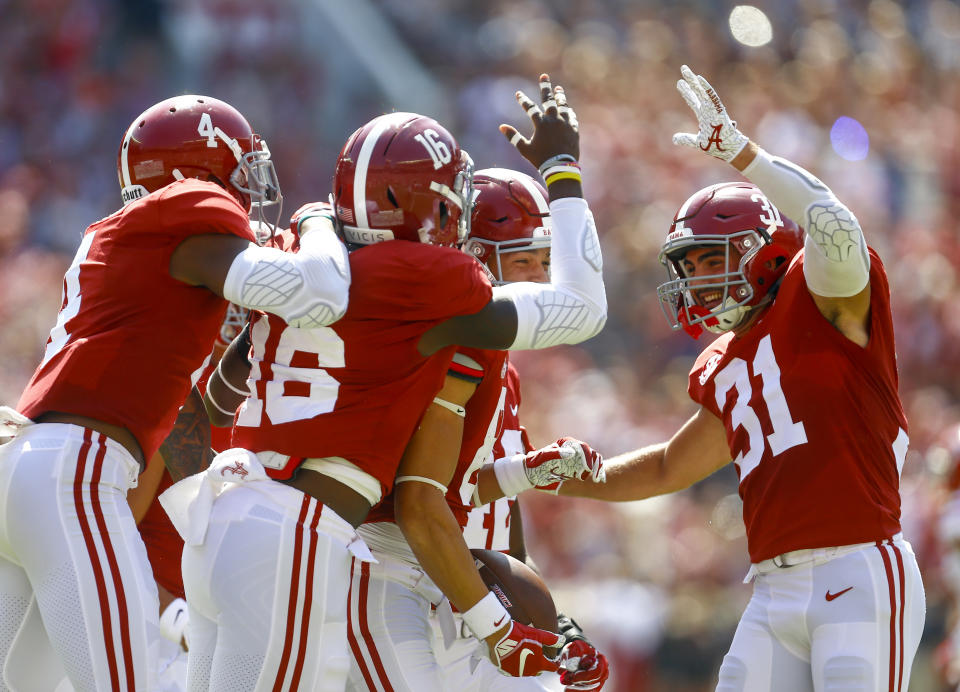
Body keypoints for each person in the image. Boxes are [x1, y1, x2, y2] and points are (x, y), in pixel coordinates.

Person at [166, 73, 607, 692]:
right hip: (301, 531)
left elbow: (217, 393)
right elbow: (583, 310)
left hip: (227, 514)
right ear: (411, 204)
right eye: (449, 196)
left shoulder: (302, 242)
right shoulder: (425, 276)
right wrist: (562, 170)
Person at [560, 65, 925, 691]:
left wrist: (742, 154)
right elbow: (667, 469)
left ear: (767, 249)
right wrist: (558, 480)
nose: (697, 280)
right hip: (772, 587)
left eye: (711, 259)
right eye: (689, 266)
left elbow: (833, 220)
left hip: (859, 570)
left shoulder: (820, 293)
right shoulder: (723, 361)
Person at [0, 94, 351, 691]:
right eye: (240, 172)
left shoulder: (124, 235)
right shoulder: (192, 203)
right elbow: (320, 292)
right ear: (201, 172)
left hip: (29, 469)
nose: (247, 190)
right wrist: (319, 222)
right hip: (75, 473)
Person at [346, 168, 608, 692]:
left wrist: (546, 622)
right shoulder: (448, 350)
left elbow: (471, 498)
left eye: (544, 261)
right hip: (400, 568)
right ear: (475, 257)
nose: (539, 278)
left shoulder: (497, 361)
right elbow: (417, 495)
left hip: (466, 586)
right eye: (522, 260)